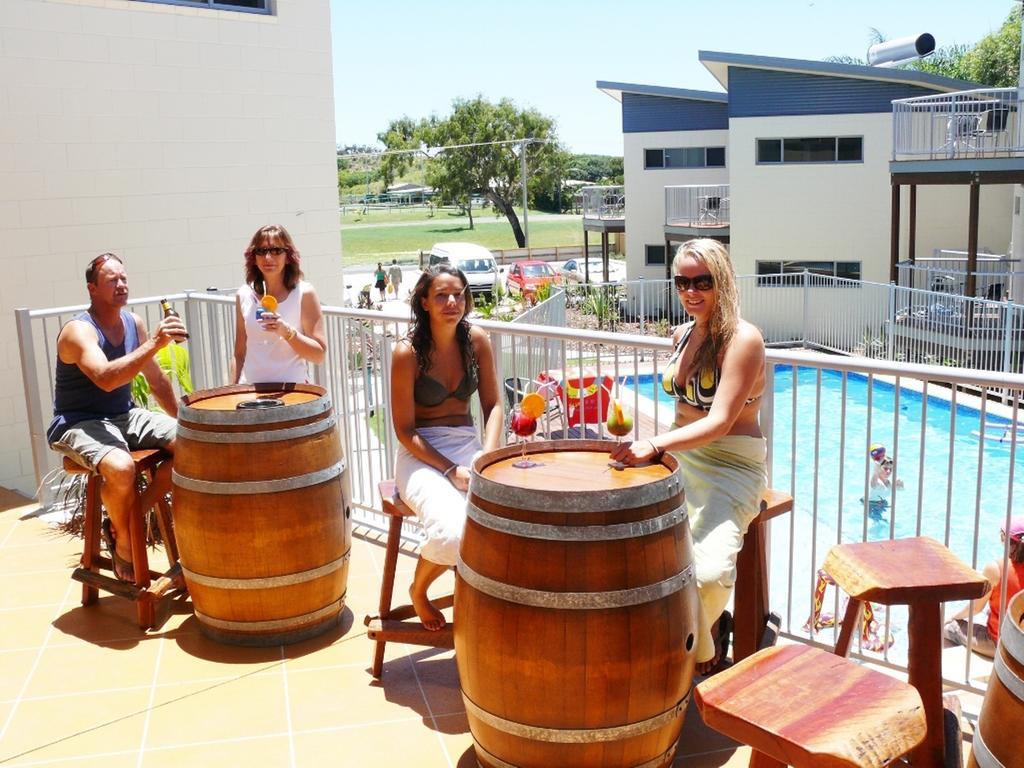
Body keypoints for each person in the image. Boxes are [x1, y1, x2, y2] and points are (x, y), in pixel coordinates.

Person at [610, 238, 766, 676]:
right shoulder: (683, 334)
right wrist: (660, 446)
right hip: (680, 456)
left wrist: (655, 444)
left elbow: (718, 421)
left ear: (724, 281)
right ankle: (670, 642)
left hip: (729, 465)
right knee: (629, 547)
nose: (691, 291)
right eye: (682, 282)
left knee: (709, 573)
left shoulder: (744, 340)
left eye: (702, 281)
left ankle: (697, 643)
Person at [47, 253, 186, 581]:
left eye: (123, 278)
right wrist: (154, 343)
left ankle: (126, 524)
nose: (121, 284)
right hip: (79, 422)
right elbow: (106, 379)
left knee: (195, 445)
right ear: (92, 288)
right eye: (112, 280)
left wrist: (186, 421)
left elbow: (155, 380)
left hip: (123, 415)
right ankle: (125, 540)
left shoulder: (132, 323)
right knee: (121, 468)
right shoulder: (78, 331)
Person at [391, 264, 503, 630]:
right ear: (424, 302)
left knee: (504, 522)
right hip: (421, 455)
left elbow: (494, 406)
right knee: (452, 533)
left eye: (458, 294)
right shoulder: (406, 352)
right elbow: (405, 431)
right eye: (441, 295)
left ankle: (485, 600)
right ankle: (419, 590)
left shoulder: (477, 341)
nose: (452, 301)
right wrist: (449, 469)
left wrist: (486, 454)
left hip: (468, 446)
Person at [231, 225, 327, 385]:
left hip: (292, 393)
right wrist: (231, 393)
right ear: (253, 258)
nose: (268, 257)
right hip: (250, 394)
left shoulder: (304, 293)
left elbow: (319, 356)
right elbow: (239, 354)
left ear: (288, 256)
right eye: (261, 251)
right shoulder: (244, 294)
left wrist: (286, 332)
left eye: (276, 250)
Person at [944, 516, 1024, 657]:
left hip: (1003, 646)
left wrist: (952, 617)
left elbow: (976, 608)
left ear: (1004, 539)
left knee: (947, 628)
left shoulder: (997, 569)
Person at [866, 454, 903, 521]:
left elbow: (900, 491)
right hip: (871, 506)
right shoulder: (877, 482)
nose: (888, 471)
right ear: (879, 468)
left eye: (890, 469)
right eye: (885, 468)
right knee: (882, 523)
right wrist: (876, 467)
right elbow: (873, 481)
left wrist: (900, 487)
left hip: (881, 504)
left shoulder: (888, 483)